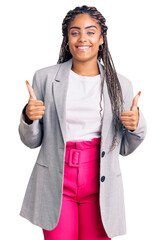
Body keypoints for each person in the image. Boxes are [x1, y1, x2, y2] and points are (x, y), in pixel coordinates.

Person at [18, 5, 147, 240]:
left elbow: (126, 148)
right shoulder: (45, 78)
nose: (82, 38)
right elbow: (31, 141)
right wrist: (29, 117)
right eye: (74, 32)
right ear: (67, 40)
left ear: (101, 39)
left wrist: (135, 125)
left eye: (90, 31)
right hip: (56, 180)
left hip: (99, 182)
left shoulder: (121, 84)